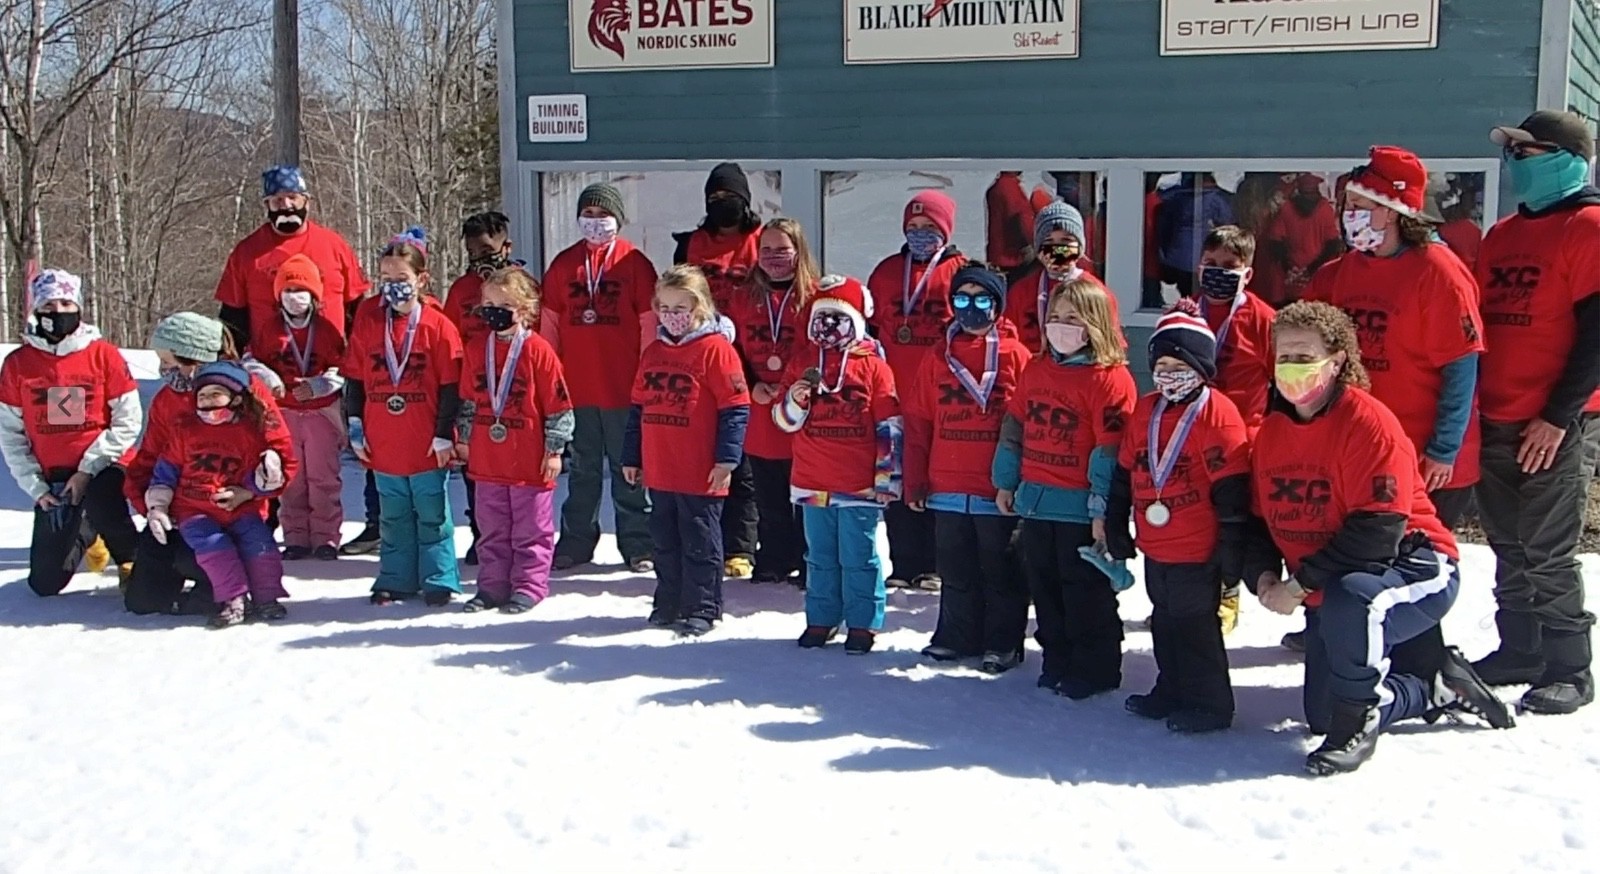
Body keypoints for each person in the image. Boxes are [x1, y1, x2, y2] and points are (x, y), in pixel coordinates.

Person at [1244, 301, 1512, 776]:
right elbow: (1259, 520)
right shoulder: (1271, 433)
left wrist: (1300, 586)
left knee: (1354, 602)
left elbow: (1377, 532)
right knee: (1323, 713)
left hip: (1415, 563)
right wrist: (1263, 576)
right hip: (1333, 577)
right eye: (1284, 355)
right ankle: (1434, 688)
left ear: (1338, 360)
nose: (1292, 368)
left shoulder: (1369, 424)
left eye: (1306, 357)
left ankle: (1359, 727)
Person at [1299, 147, 1486, 675]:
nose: (1349, 211)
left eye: (1362, 202)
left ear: (1396, 210)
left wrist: (1444, 448)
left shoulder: (1439, 272)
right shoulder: (1340, 272)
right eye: (1348, 202)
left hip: (1423, 454)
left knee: (1408, 568)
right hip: (1354, 451)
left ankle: (1423, 674)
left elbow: (1461, 368)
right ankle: (1346, 645)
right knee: (1358, 556)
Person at [1472, 111, 1600, 714]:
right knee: (1507, 541)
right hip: (1498, 412)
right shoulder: (1501, 236)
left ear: (1568, 158)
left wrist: (1556, 414)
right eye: (1512, 153)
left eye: (1529, 152)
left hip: (1557, 421)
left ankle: (1571, 667)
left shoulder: (1590, 228)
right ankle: (1519, 648)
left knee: (1548, 546)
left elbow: (1597, 337)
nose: (1516, 163)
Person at [1106, 302, 1250, 732]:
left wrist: (1230, 549)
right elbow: (1124, 470)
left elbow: (1232, 492)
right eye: (1162, 365)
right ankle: (1171, 687)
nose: (1169, 374)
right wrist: (1116, 522)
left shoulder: (1217, 413)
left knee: (1196, 626)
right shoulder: (1146, 410)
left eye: (1180, 365)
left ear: (1201, 367)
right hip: (1156, 544)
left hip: (1197, 545)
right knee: (1164, 621)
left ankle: (1210, 702)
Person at [992, 277, 1136, 692]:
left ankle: (1095, 669)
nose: (1060, 325)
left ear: (1095, 323)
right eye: (1054, 317)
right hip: (1036, 502)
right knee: (1046, 588)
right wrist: (1006, 480)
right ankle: (1056, 660)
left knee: (1084, 593)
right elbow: (1015, 425)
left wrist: (1099, 512)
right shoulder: (1038, 368)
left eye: (1072, 318)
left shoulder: (1110, 379)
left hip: (1078, 508)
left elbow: (1109, 452)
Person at [907, 265, 1033, 673]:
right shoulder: (937, 356)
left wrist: (1017, 480)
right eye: (962, 299)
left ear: (997, 305)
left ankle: (1003, 642)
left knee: (999, 568)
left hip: (993, 487)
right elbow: (919, 420)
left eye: (982, 300)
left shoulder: (1016, 356)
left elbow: (1026, 425)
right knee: (955, 568)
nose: (972, 309)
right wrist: (916, 478)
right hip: (946, 482)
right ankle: (956, 636)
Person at [122, 313, 285, 616]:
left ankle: (243, 585)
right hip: (183, 509)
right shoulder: (167, 400)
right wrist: (152, 507)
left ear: (193, 359)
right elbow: (149, 459)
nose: (163, 370)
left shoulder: (249, 394)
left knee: (200, 566)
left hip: (236, 511)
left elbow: (282, 456)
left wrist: (251, 493)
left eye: (168, 362)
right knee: (143, 602)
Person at [775, 275, 902, 653]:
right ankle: (822, 618)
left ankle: (863, 623)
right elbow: (782, 421)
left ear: (856, 320)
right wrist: (795, 401)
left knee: (859, 555)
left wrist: (887, 479)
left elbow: (889, 426)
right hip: (813, 480)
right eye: (821, 317)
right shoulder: (801, 362)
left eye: (837, 317)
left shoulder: (874, 367)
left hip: (859, 483)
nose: (828, 326)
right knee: (819, 556)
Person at [623, 265, 750, 637]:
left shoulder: (716, 351)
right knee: (664, 538)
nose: (672, 316)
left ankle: (703, 605)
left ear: (700, 308)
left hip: (700, 470)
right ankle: (669, 600)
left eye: (681, 308)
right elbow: (638, 409)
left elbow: (735, 408)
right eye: (664, 307)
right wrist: (632, 456)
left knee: (699, 539)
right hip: (662, 468)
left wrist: (727, 459)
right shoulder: (654, 351)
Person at [0, 269, 142, 596]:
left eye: (66, 303)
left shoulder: (103, 354)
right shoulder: (18, 364)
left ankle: (129, 557)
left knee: (101, 495)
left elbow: (128, 420)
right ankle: (87, 530)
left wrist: (87, 469)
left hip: (106, 463)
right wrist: (36, 488)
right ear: (37, 310)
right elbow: (11, 434)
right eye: (49, 305)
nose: (59, 312)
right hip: (55, 476)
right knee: (45, 584)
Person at [344, 227, 465, 606]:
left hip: (426, 441)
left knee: (432, 515)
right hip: (384, 443)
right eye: (386, 279)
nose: (393, 286)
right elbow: (354, 381)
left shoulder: (438, 326)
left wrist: (445, 433)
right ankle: (395, 578)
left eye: (402, 279)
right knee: (393, 518)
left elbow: (451, 387)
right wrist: (355, 427)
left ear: (421, 280)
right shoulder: (369, 325)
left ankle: (439, 578)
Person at [546, 183, 658, 573]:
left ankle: (639, 544)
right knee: (582, 472)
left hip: (623, 387)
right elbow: (550, 326)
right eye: (588, 214)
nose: (595, 222)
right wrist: (551, 379)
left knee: (630, 470)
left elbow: (650, 324)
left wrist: (646, 374)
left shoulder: (634, 263)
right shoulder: (563, 265)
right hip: (577, 389)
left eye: (602, 214)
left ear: (618, 219)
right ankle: (576, 542)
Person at [455, 268, 574, 614]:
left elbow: (559, 406)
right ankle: (492, 586)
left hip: (529, 461)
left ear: (525, 308)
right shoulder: (477, 348)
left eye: (504, 304)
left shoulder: (538, 351)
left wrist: (554, 450)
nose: (494, 310)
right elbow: (467, 401)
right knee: (491, 529)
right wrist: (462, 438)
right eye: (489, 303)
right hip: (487, 460)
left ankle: (529, 585)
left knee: (531, 530)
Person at [143, 361, 297, 628]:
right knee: (215, 547)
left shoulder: (250, 432)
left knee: (260, 544)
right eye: (202, 395)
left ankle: (266, 597)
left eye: (216, 394)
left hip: (239, 507)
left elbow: (262, 475)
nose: (208, 400)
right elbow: (165, 470)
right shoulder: (185, 430)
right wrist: (158, 506)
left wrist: (253, 488)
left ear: (236, 398)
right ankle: (233, 599)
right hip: (194, 508)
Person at [866, 190, 968, 590]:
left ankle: (937, 564)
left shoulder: (960, 271)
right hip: (892, 396)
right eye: (913, 227)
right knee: (895, 482)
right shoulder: (888, 271)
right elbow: (870, 333)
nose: (920, 234)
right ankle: (906, 562)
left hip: (941, 399)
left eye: (929, 227)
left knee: (935, 479)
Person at [672, 163, 762, 579]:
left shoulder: (761, 241)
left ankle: (741, 547)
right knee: (706, 454)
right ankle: (703, 539)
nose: (721, 205)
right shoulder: (691, 244)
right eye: (714, 199)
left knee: (742, 459)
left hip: (752, 356)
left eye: (729, 198)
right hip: (699, 354)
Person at [729, 217, 817, 585]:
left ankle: (810, 558)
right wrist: (750, 385)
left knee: (804, 491)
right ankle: (776, 555)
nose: (773, 257)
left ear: (798, 251)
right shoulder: (742, 297)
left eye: (782, 249)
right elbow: (729, 350)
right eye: (766, 249)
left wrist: (796, 386)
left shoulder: (815, 297)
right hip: (761, 406)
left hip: (801, 408)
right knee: (767, 490)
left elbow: (823, 349)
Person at [250, 254, 347, 560]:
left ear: (315, 295)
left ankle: (326, 538)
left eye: (302, 290)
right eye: (289, 291)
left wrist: (321, 384)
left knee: (324, 478)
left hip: (321, 414)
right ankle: (296, 537)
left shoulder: (328, 330)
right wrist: (269, 378)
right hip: (285, 414)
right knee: (292, 478)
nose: (295, 298)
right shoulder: (269, 329)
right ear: (279, 295)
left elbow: (344, 368)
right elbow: (251, 361)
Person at [443, 210, 523, 565]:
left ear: (506, 247)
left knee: (518, 471)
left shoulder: (524, 285)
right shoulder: (461, 290)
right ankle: (483, 536)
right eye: (473, 251)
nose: (480, 258)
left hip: (516, 393)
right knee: (478, 472)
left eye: (487, 249)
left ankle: (520, 539)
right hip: (474, 394)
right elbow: (448, 340)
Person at [215, 165, 370, 347]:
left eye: (292, 198)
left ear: (306, 201)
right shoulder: (246, 253)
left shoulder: (335, 246)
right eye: (277, 200)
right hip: (268, 365)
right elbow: (232, 320)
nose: (286, 205)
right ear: (267, 205)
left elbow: (357, 310)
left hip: (329, 364)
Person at [1002, 200, 1121, 352]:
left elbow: (1112, 346)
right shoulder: (1021, 291)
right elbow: (1008, 341)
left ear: (1080, 248)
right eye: (1049, 241)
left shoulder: (1096, 293)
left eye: (1066, 241)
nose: (1057, 249)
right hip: (1033, 371)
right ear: (1038, 250)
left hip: (1080, 371)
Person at [1263, 174, 1343, 307]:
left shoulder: (1286, 208)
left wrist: (1291, 269)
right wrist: (1311, 270)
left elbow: (1276, 243)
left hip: (1290, 279)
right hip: (1316, 278)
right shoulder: (1325, 209)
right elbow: (1333, 245)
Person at [1156, 173, 1234, 298]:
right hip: (1204, 259)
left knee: (1187, 293)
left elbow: (1164, 226)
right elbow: (1229, 224)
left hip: (1178, 258)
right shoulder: (1217, 199)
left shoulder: (1175, 197)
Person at [984, 171, 1036, 281]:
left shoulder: (997, 187)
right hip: (1013, 258)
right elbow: (1023, 220)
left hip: (996, 255)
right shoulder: (1012, 189)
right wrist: (1035, 243)